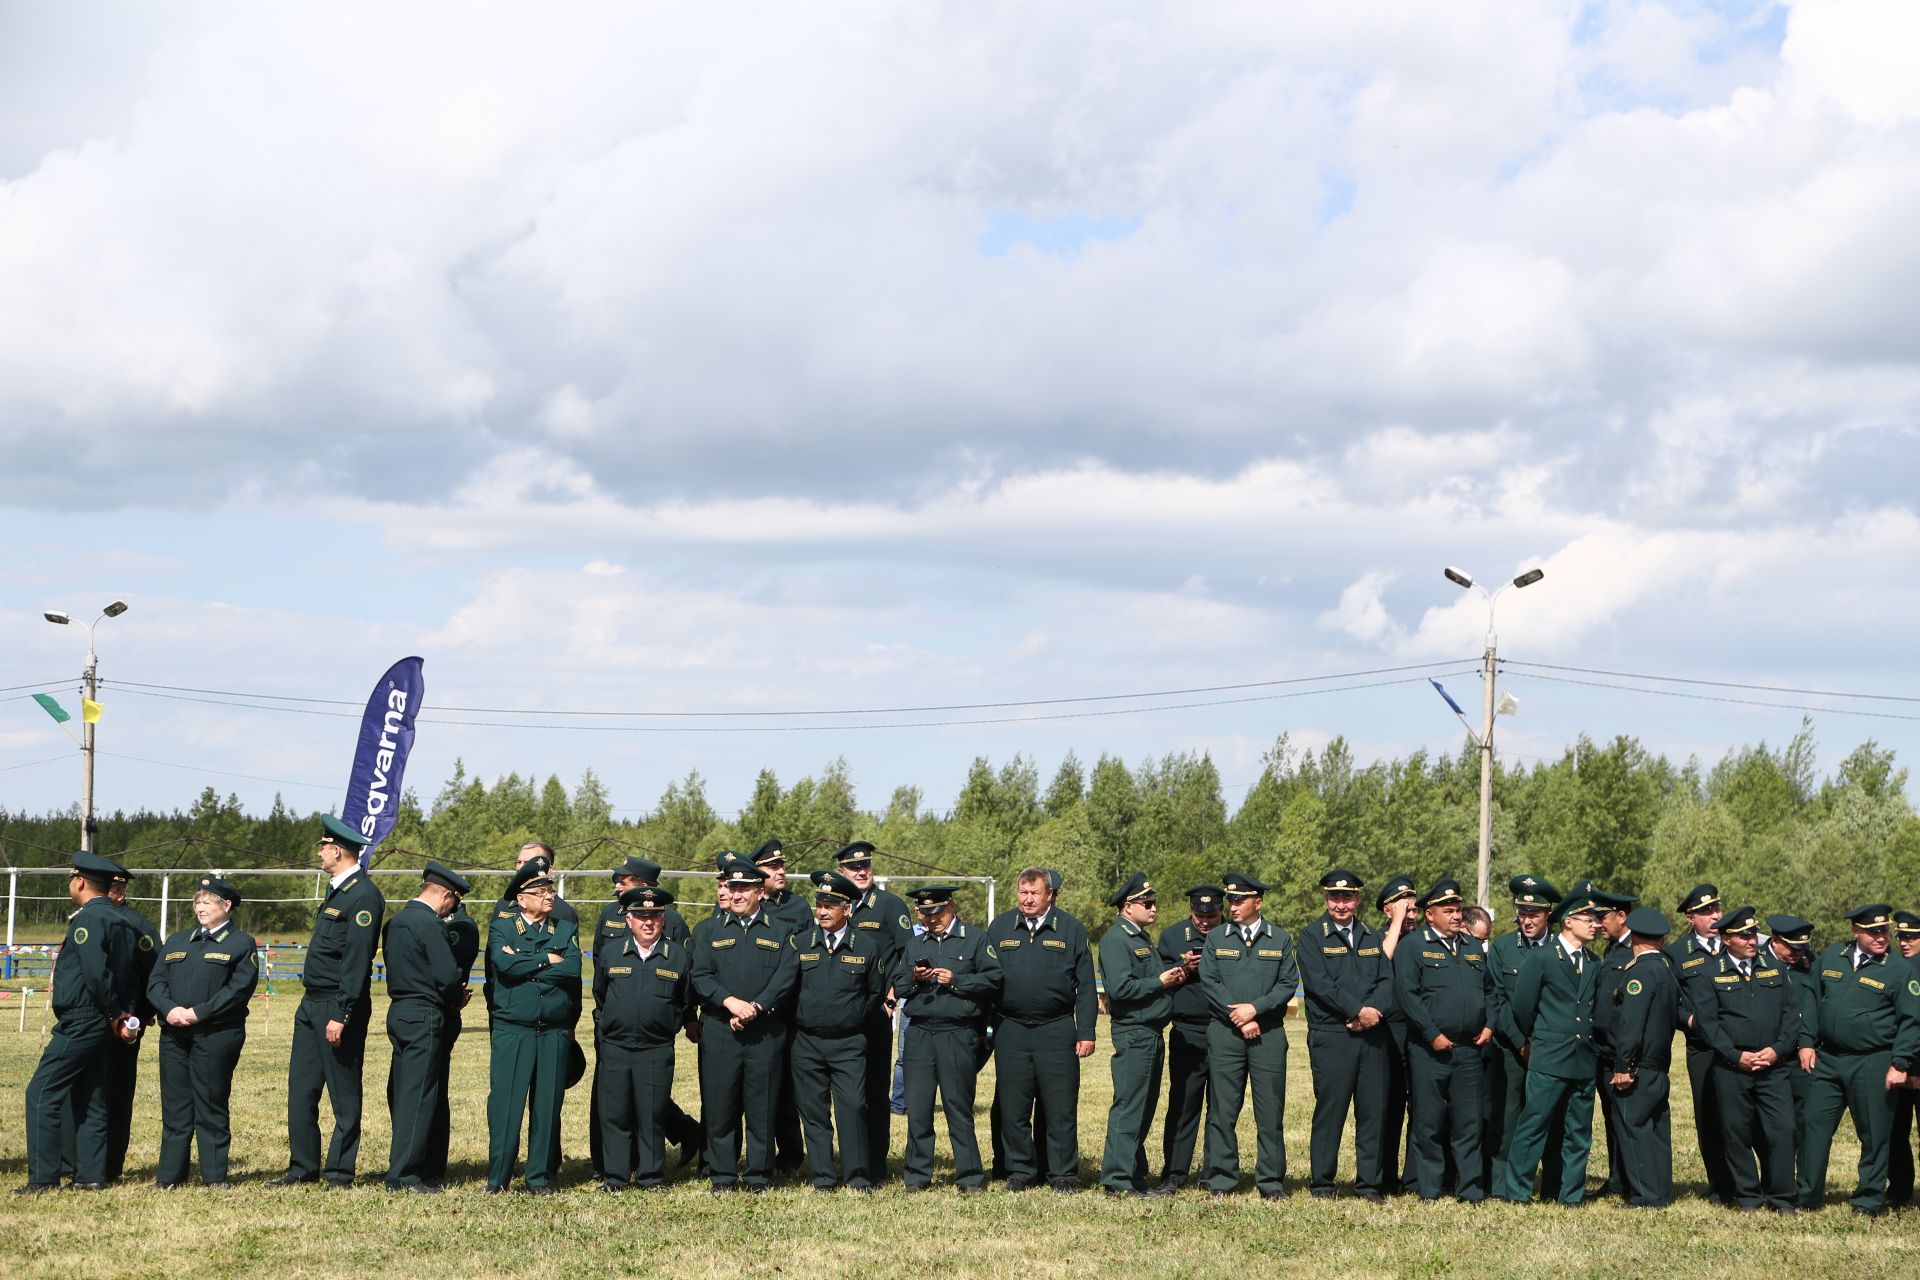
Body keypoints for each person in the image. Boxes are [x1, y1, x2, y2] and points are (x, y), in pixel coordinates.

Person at [271, 815, 385, 1188]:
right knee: (301, 1089)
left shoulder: (363, 895)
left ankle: (339, 1171)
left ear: (337, 851)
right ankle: (302, 1168)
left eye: (322, 847)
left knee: (343, 1092)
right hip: (310, 1002)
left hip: (337, 1005)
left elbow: (355, 960)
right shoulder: (337, 890)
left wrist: (343, 1012)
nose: (319, 853)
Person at [17, 852, 138, 1194]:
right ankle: (90, 1175)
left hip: (85, 1017)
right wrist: (120, 1015)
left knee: (41, 1093)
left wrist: (113, 1012)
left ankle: (43, 1178)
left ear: (80, 882)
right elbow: (128, 975)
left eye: (72, 879)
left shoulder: (89, 920)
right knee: (91, 1096)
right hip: (104, 1020)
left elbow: (96, 974)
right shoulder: (121, 921)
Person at [1799, 903, 1920, 1216]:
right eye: (1873, 931)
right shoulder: (1830, 957)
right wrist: (1805, 1043)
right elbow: (1811, 1001)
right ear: (1855, 931)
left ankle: (1867, 1200)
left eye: (1885, 931)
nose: (1882, 937)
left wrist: (1900, 1063)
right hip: (1827, 1059)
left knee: (1875, 1133)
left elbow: (1911, 1020)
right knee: (1814, 1126)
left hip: (1873, 1061)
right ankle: (1807, 1196)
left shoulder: (1899, 970)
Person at [1392, 877, 1504, 1203]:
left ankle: (1469, 1190)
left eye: (1457, 909)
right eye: (1448, 910)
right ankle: (1429, 1188)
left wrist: (1490, 1025)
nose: (1456, 916)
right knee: (1429, 1123)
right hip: (1429, 1051)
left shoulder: (1472, 947)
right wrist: (1432, 1034)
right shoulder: (1413, 946)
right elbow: (1408, 995)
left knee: (1468, 1123)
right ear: (1430, 914)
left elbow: (1490, 991)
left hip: (1469, 1049)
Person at [691, 856, 798, 1193]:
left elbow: (787, 975)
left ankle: (757, 1175)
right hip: (721, 1029)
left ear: (760, 892)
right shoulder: (707, 930)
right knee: (720, 1106)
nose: (736, 895)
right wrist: (730, 1002)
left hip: (764, 1031)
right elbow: (700, 975)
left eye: (744, 889)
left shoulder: (782, 932)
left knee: (761, 1107)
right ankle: (722, 1175)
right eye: (731, 888)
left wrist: (756, 1006)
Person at [589, 855, 699, 1182]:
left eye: (653, 915)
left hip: (655, 1046)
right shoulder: (612, 954)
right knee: (615, 1114)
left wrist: (666, 1026)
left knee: (652, 1113)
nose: (647, 921)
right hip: (616, 1045)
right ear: (629, 920)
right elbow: (600, 995)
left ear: (663, 919)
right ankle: (616, 1176)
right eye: (640, 916)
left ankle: (651, 1175)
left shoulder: (678, 956)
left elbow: (685, 999)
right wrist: (606, 1027)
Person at [987, 867, 1096, 1191]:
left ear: (1049, 894)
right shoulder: (1000, 927)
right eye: (1023, 892)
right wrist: (986, 1028)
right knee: (1013, 1105)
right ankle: (1021, 1171)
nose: (1028, 899)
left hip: (1056, 1028)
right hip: (1011, 1028)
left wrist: (1086, 1031)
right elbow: (986, 980)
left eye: (1034, 893)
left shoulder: (1071, 929)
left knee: (1060, 1105)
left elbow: (1087, 986)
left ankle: (1062, 1172)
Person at [1688, 906, 1800, 1213]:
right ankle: (1749, 1196)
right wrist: (1735, 1055)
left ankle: (1781, 1197)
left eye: (1753, 933)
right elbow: (1708, 1025)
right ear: (1726, 939)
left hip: (1772, 1066)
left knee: (1783, 1130)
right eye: (1743, 935)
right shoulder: (1709, 974)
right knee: (1736, 1134)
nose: (1752, 940)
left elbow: (1791, 1015)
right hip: (1731, 1069)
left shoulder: (1774, 968)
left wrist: (1778, 1049)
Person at [149, 875, 258, 1188]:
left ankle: (213, 1176)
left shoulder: (241, 943)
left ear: (226, 905)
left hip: (215, 1034)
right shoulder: (179, 941)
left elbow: (237, 990)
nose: (201, 907)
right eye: (198, 901)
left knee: (210, 1104)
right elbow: (156, 982)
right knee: (175, 1105)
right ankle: (170, 1177)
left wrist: (198, 1013)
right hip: (174, 1034)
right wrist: (169, 1009)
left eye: (208, 902)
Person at [1497, 890, 1605, 1205]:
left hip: (1583, 1060)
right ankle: (1517, 1191)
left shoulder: (1593, 961)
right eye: (1589, 919)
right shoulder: (1542, 958)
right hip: (1549, 1058)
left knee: (1578, 1132)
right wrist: (1542, 1038)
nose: (1596, 925)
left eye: (1596, 919)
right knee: (1533, 1126)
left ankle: (1569, 1195)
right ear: (1568, 922)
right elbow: (1522, 1008)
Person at [893, 884, 1001, 1192]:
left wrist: (957, 981)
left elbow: (994, 978)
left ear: (950, 906)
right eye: (925, 913)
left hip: (957, 1032)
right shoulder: (914, 944)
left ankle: (969, 1177)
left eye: (936, 911)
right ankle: (916, 1176)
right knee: (918, 1107)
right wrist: (914, 979)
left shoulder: (975, 938)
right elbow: (898, 984)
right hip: (921, 1033)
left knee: (958, 1107)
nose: (931, 918)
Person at [485, 856, 581, 1195]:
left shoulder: (565, 929)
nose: (549, 895)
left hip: (553, 1031)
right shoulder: (503, 927)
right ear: (521, 898)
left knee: (547, 1106)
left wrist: (525, 963)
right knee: (505, 1106)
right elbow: (503, 966)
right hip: (515, 1030)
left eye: (550, 889)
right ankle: (498, 1178)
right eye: (540, 890)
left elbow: (572, 971)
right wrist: (546, 959)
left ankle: (538, 1178)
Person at [1199, 872, 1298, 1200]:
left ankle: (1270, 1182)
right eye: (1230, 900)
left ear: (1259, 902)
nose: (1233, 905)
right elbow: (1210, 982)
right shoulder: (1216, 938)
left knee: (1270, 1111)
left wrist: (1254, 1010)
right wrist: (1239, 1018)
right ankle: (1222, 1180)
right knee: (1223, 1110)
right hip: (1226, 1034)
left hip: (1267, 1034)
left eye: (1239, 900)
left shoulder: (1279, 939)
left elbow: (1286, 985)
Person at [1295, 867, 1392, 1202]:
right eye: (1334, 897)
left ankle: (1369, 1184)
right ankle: (1322, 1183)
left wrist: (1372, 1013)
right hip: (1333, 1035)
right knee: (1331, 1110)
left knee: (1372, 1111)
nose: (1341, 904)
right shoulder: (1311, 936)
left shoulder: (1370, 935)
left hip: (1372, 1035)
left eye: (1347, 897)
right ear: (1326, 898)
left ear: (1357, 899)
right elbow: (1321, 985)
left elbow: (1387, 980)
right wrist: (1357, 1011)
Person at [787, 871, 887, 1192]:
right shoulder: (800, 943)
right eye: (819, 904)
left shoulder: (867, 946)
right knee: (814, 1112)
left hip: (848, 1044)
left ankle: (858, 1177)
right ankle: (823, 1179)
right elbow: (788, 989)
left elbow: (874, 992)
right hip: (807, 1043)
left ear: (848, 909)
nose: (822, 911)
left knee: (853, 1108)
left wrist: (853, 1017)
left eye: (831, 905)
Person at [381, 860, 470, 1193]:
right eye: (455, 903)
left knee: (402, 1092)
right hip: (425, 1013)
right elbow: (446, 975)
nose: (452, 910)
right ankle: (406, 1174)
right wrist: (457, 997)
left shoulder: (397, 921)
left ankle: (400, 1164)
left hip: (400, 1010)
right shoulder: (430, 925)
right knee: (420, 1096)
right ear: (445, 896)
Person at [1097, 873, 1184, 1197]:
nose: (1154, 908)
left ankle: (1133, 1175)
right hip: (1134, 1031)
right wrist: (1161, 982)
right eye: (1147, 903)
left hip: (1150, 1031)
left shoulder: (1140, 937)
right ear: (1127, 906)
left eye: (1154, 902)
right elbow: (1120, 988)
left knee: (1144, 1107)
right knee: (1129, 1106)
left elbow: (1150, 975)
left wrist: (1179, 968)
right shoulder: (1117, 940)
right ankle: (1117, 1181)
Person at [838, 840, 913, 1181]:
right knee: (845, 1093)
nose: (862, 871)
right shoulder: (835, 904)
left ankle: (877, 1163)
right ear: (842, 872)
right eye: (854, 867)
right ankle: (848, 1159)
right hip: (839, 1016)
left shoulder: (889, 905)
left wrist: (892, 998)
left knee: (875, 1092)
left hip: (875, 1013)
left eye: (865, 865)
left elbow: (907, 955)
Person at [1486, 874, 1558, 1196]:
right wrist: (1520, 1043)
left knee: (1552, 1120)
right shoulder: (1502, 948)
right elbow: (1497, 1000)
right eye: (1522, 914)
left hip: (1553, 1050)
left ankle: (1553, 1186)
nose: (1527, 921)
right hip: (1511, 1049)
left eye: (1535, 914)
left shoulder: (1561, 948)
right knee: (1508, 1119)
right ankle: (1502, 1186)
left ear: (1548, 915)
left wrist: (1542, 1044)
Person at [1664, 882, 1735, 1205]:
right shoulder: (1677, 954)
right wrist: (1689, 1021)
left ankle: (1751, 1181)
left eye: (1717, 909)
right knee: (1709, 1116)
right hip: (1703, 1048)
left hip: (1741, 1045)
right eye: (1706, 912)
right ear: (1690, 918)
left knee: (1745, 1116)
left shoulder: (1738, 942)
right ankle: (1720, 1185)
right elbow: (1670, 1002)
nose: (1715, 916)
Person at [1603, 908, 1679, 1208]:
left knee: (1633, 1128)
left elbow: (1631, 1024)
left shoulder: (1640, 972)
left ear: (1633, 936)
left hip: (1639, 1067)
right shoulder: (1666, 971)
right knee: (1657, 1131)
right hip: (1659, 1066)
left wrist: (1623, 1066)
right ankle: (1659, 1192)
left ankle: (1644, 1196)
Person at [749, 838, 811, 1178]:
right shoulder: (741, 904)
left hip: (785, 1013)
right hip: (747, 1011)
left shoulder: (797, 908)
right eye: (773, 867)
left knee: (785, 1088)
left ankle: (789, 1155)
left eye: (782, 865)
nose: (781, 871)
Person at [1155, 883, 1221, 1192]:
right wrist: (1184, 967)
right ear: (1191, 911)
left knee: (1221, 1106)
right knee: (1183, 1103)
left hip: (1224, 1029)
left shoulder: (1232, 935)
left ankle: (1214, 1173)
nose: (1205, 921)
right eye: (1199, 915)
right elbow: (1157, 976)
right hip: (1188, 1030)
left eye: (1211, 915)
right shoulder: (1172, 936)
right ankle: (1175, 1172)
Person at [102, 866, 159, 1184]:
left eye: (109, 889)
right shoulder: (88, 919)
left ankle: (110, 1164)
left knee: (116, 1092)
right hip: (91, 1020)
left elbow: (154, 974)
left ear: (120, 892)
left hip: (124, 1022)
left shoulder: (139, 927)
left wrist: (144, 1013)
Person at [424, 885, 480, 1189]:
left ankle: (432, 1165)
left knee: (433, 1090)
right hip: (425, 1008)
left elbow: (446, 971)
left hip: (443, 1011)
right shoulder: (433, 922)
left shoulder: (459, 927)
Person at [1375, 874, 1420, 1193]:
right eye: (1403, 907)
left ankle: (1416, 1178)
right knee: (1387, 1110)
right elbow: (1381, 961)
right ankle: (1386, 1178)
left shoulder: (1423, 941)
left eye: (1415, 908)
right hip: (1388, 1034)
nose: (1410, 914)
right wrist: (1398, 922)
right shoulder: (1377, 938)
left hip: (1419, 1034)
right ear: (1387, 911)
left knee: (1421, 1110)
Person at [1890, 911, 1920, 1208]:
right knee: (1895, 1134)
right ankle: (1899, 1191)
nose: (1904, 942)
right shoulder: (1896, 967)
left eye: (1911, 936)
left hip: (1916, 1067)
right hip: (1897, 1066)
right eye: (1900, 936)